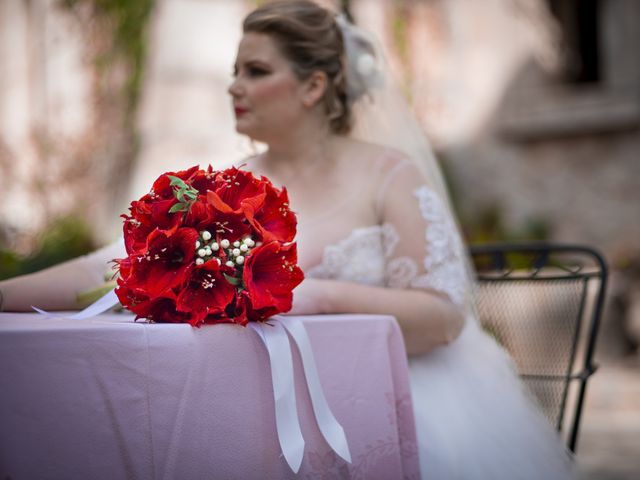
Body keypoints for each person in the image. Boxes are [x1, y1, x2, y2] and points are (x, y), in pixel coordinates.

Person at [0, 1, 575, 478]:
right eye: (235, 70)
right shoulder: (229, 186)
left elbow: (443, 317)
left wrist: (321, 295)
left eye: (255, 71)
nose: (234, 86)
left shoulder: (390, 174)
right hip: (252, 399)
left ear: (313, 86)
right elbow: (114, 267)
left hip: (401, 395)